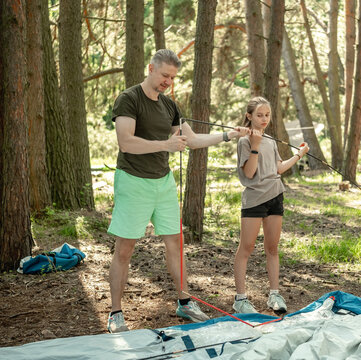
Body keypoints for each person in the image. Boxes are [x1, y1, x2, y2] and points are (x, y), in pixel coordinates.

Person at [106, 49, 249, 333]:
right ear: (150, 68)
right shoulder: (129, 99)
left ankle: (184, 301)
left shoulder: (170, 106)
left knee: (176, 242)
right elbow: (126, 142)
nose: (168, 82)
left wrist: (228, 135)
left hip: (163, 181)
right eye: (164, 75)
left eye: (172, 77)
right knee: (124, 249)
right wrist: (165, 145)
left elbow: (192, 139)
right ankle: (115, 313)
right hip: (133, 180)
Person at [233, 96, 309, 315]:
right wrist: (254, 146)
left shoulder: (271, 140)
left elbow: (278, 169)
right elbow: (248, 173)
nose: (264, 119)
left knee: (272, 248)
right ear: (249, 116)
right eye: (259, 115)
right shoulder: (244, 141)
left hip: (275, 195)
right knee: (246, 248)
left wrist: (298, 154)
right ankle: (240, 299)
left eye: (267, 115)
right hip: (254, 199)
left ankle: (274, 294)